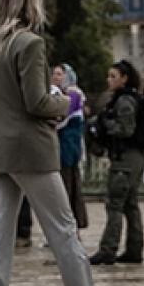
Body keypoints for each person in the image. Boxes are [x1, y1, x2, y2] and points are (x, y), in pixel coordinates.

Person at [0, 0, 118, 286]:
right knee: (64, 232)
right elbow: (37, 102)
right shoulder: (31, 44)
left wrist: (5, 122)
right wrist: (66, 102)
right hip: (32, 152)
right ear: (33, 2)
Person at [88, 60, 144, 265]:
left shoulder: (125, 102)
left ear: (124, 78)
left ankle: (108, 249)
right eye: (109, 75)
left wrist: (105, 124)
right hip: (132, 158)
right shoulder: (125, 99)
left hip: (126, 159)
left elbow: (126, 129)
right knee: (130, 204)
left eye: (113, 76)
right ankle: (134, 249)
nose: (109, 80)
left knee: (115, 204)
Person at [53, 64, 89, 230]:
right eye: (54, 74)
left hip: (68, 148)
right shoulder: (62, 93)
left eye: (60, 74)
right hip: (64, 147)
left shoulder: (73, 94)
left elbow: (61, 118)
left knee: (67, 188)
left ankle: (68, 226)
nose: (56, 77)